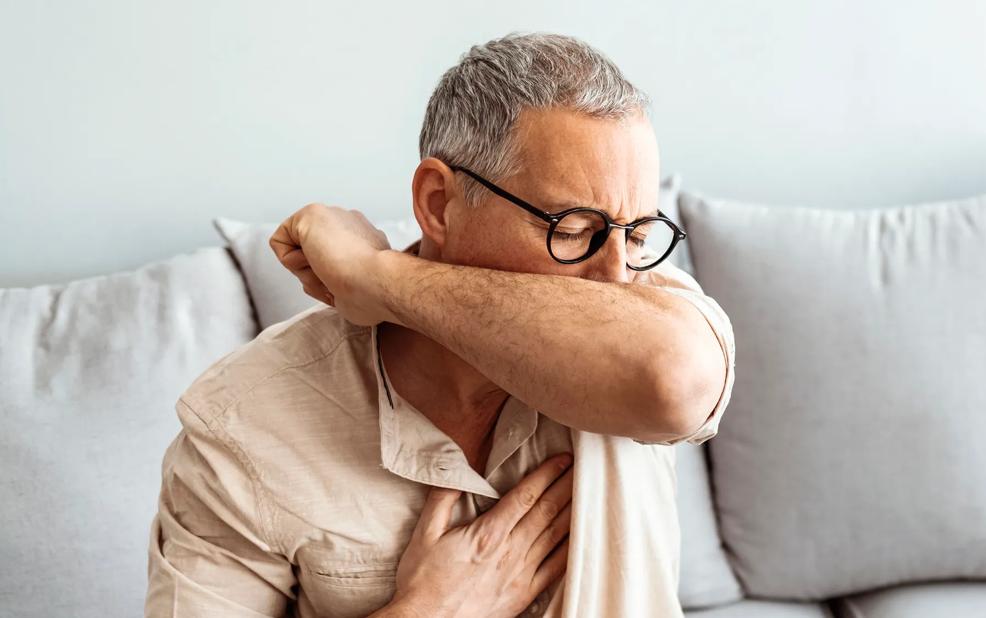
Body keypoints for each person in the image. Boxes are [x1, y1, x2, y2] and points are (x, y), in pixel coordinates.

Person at [145, 32, 734, 617]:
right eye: (573, 230)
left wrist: (376, 278)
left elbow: (670, 381)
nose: (616, 279)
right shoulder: (242, 426)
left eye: (637, 236)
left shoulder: (659, 317)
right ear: (436, 204)